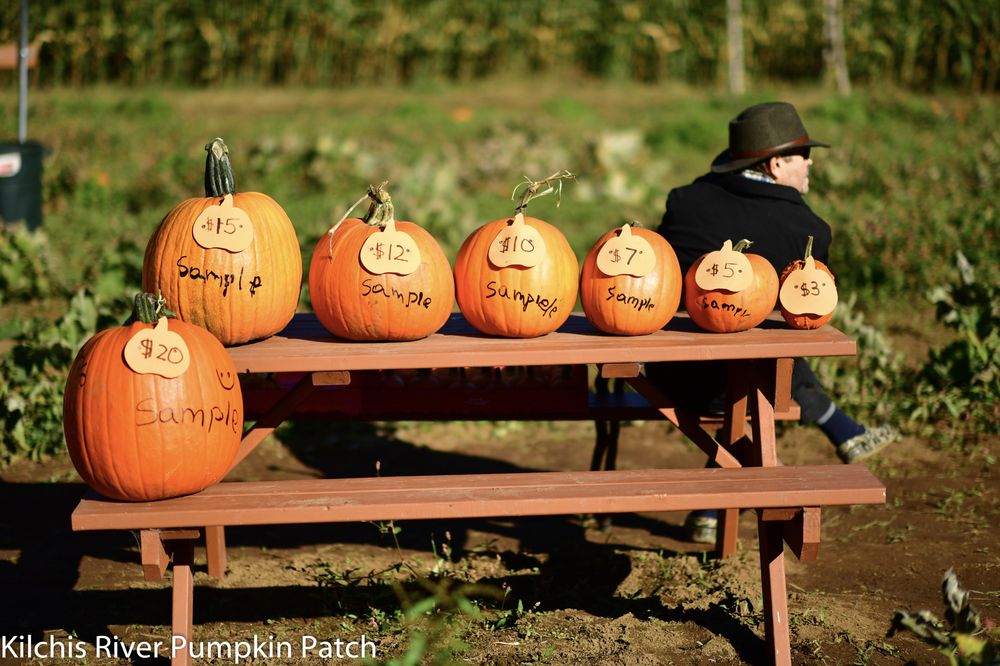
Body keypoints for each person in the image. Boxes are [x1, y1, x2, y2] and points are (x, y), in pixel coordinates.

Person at [651, 101, 900, 544]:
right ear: (777, 163)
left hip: (671, 378)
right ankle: (841, 430)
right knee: (773, 344)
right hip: (748, 386)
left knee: (747, 348)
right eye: (805, 155)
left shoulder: (684, 201)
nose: (811, 164)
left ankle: (711, 507)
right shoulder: (807, 232)